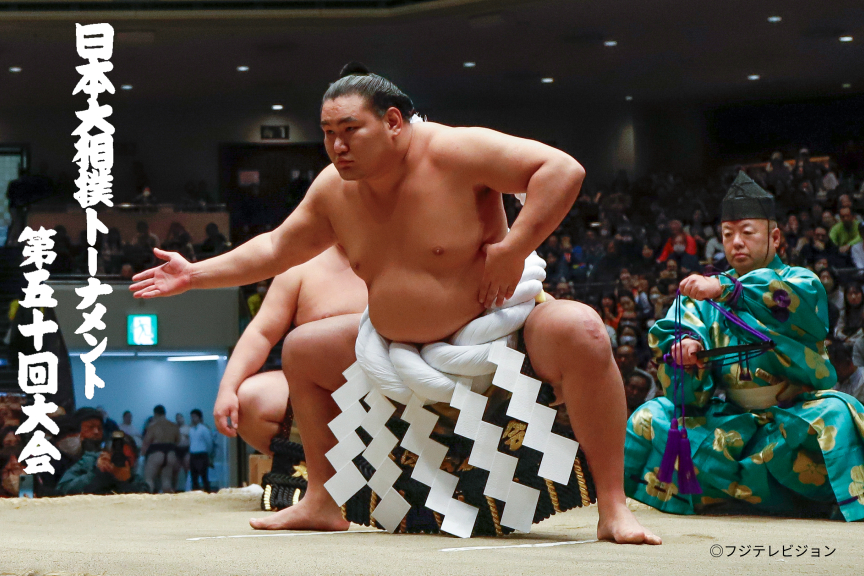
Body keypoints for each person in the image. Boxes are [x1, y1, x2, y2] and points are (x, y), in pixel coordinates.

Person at [130, 63, 659, 544]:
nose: (337, 146)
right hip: (392, 346)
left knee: (585, 329)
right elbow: (275, 247)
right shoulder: (333, 190)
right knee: (304, 349)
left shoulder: (455, 151)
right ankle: (321, 499)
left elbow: (561, 170)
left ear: (392, 122)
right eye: (328, 134)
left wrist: (514, 248)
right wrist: (195, 273)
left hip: (498, 325)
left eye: (350, 130)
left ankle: (613, 506)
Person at [625, 172, 864, 522]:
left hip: (792, 418)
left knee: (837, 417)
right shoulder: (704, 296)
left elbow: (789, 299)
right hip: (732, 424)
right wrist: (687, 352)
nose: (736, 242)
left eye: (747, 233)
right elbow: (681, 334)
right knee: (652, 417)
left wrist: (728, 290)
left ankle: (741, 493)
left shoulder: (801, 281)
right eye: (727, 235)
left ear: (775, 236)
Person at [213, 245, 368, 453]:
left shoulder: (403, 256)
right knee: (250, 399)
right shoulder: (302, 265)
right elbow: (261, 333)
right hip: (318, 396)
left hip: (395, 389)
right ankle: (310, 469)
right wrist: (227, 388)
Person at [56, 433, 148, 495]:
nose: (121, 461)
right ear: (105, 454)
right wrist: (96, 473)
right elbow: (61, 490)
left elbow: (145, 504)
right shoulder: (89, 463)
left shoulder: (136, 480)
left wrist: (126, 483)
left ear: (135, 459)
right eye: (116, 456)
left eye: (127, 458)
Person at [141, 405, 180, 493]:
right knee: (166, 481)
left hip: (156, 452)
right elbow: (178, 441)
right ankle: (169, 504)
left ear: (155, 414)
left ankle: (148, 502)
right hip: (170, 454)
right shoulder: (174, 426)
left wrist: (142, 455)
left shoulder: (153, 426)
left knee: (149, 479)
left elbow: (146, 442)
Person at [187, 409, 214, 492]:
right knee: (194, 476)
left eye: (194, 417)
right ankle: (195, 492)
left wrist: (209, 454)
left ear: (199, 418)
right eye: (191, 417)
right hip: (193, 454)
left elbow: (209, 442)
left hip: (202, 454)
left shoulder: (204, 429)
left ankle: (207, 491)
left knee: (204, 476)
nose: (193, 419)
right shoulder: (191, 430)